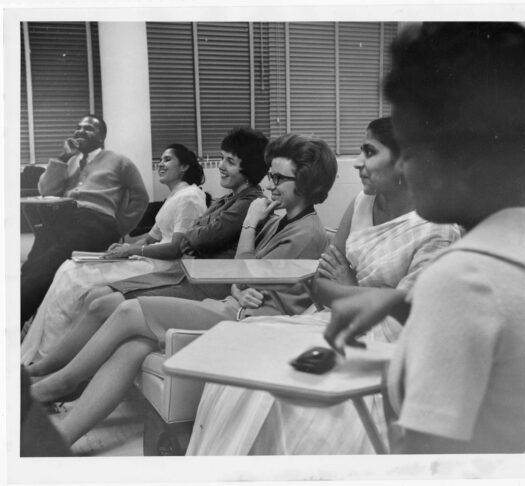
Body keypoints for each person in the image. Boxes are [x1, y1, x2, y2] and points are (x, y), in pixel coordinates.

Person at [325, 22, 525, 454]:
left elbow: (427, 466)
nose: (401, 170)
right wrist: (401, 302)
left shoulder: (458, 282)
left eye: (411, 150)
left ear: (467, 158)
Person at [29, 133, 338, 446]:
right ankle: (60, 435)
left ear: (306, 181)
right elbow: (240, 274)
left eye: (277, 177)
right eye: (270, 174)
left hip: (250, 323)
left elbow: (244, 271)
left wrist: (249, 226)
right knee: (133, 346)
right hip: (236, 306)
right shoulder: (279, 219)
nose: (269, 184)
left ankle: (56, 385)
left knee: (127, 310)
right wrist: (240, 284)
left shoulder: (307, 232)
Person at [184, 117, 461, 455]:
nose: (357, 162)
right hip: (331, 316)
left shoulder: (439, 226)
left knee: (291, 398)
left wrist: (348, 284)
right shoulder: (362, 202)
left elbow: (410, 314)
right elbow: (319, 285)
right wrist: (356, 291)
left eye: (370, 152)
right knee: (242, 364)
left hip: (388, 341)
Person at [23, 127, 269, 375]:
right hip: (187, 273)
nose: (222, 166)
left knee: (96, 301)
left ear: (248, 167)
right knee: (91, 293)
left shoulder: (246, 202)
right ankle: (50, 366)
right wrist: (174, 241)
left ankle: (56, 372)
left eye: (230, 161)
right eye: (222, 158)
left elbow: (188, 242)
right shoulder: (228, 200)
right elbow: (188, 239)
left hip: (202, 282)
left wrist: (147, 246)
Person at [21, 143, 208, 367]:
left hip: (166, 268)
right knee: (68, 267)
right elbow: (150, 238)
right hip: (148, 259)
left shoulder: (190, 198)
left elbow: (176, 248)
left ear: (184, 166)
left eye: (168, 159)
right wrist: (120, 251)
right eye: (161, 159)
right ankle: (44, 353)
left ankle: (50, 358)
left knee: (75, 278)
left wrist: (131, 250)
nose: (160, 164)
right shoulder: (175, 196)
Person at [21, 114, 149, 327]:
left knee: (50, 262)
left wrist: (118, 226)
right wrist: (63, 157)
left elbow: (140, 197)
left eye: (88, 128)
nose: (80, 132)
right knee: (32, 263)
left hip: (95, 222)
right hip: (63, 219)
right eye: (77, 128)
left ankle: (15, 321)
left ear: (102, 137)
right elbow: (46, 190)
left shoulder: (120, 161)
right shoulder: (69, 162)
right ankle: (23, 322)